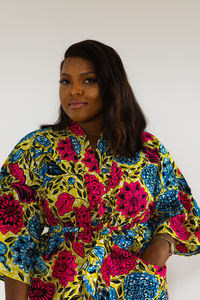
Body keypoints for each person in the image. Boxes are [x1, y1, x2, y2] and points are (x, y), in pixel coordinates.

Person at [0, 40, 200, 300]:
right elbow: (13, 234)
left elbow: (181, 208)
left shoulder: (148, 149)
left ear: (111, 85)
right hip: (59, 288)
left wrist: (161, 248)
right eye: (65, 81)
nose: (74, 91)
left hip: (134, 288)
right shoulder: (35, 148)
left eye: (88, 81)